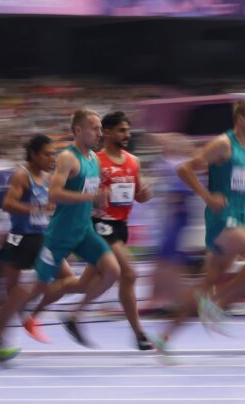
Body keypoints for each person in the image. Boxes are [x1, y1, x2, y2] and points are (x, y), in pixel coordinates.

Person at [154, 100, 245, 350]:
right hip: (223, 221)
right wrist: (207, 196)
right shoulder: (222, 144)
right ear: (242, 120)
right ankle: (217, 306)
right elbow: (185, 169)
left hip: (239, 218)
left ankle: (165, 338)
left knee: (207, 284)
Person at [27, 109, 120, 347]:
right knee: (40, 286)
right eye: (94, 128)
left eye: (100, 128)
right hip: (60, 234)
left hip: (84, 231)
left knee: (112, 271)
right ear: (78, 130)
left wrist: (97, 207)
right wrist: (90, 198)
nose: (100, 133)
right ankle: (26, 317)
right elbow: (54, 194)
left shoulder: (94, 160)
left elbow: (88, 195)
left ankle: (75, 316)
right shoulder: (68, 157)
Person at [0, 134, 79, 344]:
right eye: (46, 154)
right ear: (33, 155)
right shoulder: (22, 175)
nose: (51, 159)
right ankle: (3, 331)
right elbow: (8, 204)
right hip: (22, 239)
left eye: (53, 154)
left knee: (66, 279)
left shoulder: (47, 178)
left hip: (42, 237)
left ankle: (29, 317)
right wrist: (37, 208)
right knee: (14, 293)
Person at [90, 111, 153, 350]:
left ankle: (73, 315)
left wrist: (144, 195)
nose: (127, 135)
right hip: (101, 224)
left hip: (121, 226)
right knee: (129, 273)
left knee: (85, 282)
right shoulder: (95, 161)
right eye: (121, 130)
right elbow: (84, 194)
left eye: (128, 130)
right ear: (106, 132)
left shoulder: (133, 161)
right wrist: (95, 199)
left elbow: (137, 194)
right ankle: (139, 333)